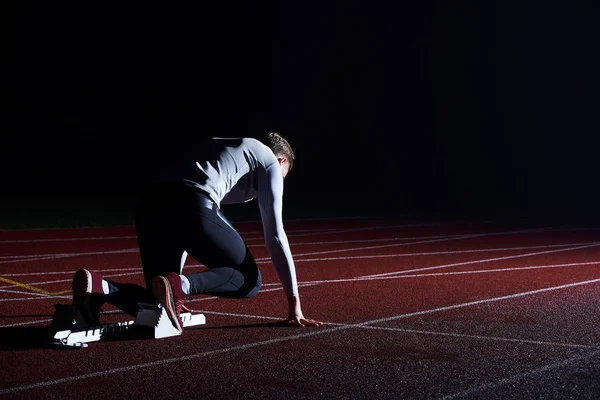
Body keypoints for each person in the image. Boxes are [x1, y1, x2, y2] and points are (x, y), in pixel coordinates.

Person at [71, 132, 323, 332]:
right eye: (283, 177)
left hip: (150, 205)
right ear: (281, 161)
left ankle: (100, 288)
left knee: (156, 307)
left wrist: (171, 286)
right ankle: (181, 286)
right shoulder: (268, 159)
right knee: (250, 280)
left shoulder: (226, 149)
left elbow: (183, 232)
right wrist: (294, 303)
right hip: (190, 200)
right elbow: (275, 236)